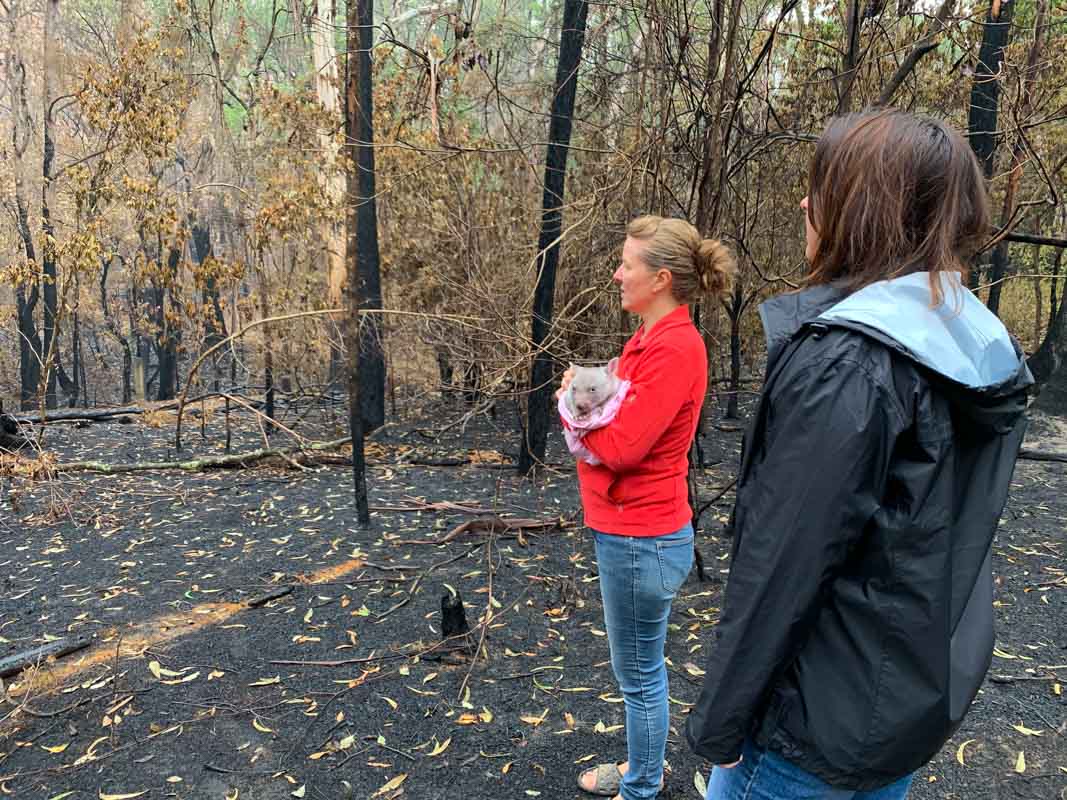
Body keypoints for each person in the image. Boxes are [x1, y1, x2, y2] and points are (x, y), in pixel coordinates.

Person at [686, 110, 1033, 799]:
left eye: (819, 186)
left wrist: (721, 728)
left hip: (804, 726)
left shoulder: (850, 358)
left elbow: (785, 560)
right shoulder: (970, 339)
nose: (803, 203)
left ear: (859, 208)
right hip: (896, 704)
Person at [557, 216, 735, 800]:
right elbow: (606, 415)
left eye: (627, 265)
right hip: (630, 532)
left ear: (659, 279)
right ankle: (642, 771)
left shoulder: (675, 348)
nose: (617, 273)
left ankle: (639, 787)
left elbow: (622, 446)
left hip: (642, 537)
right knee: (638, 669)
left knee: (639, 675)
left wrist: (572, 417)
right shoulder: (644, 341)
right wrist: (585, 411)